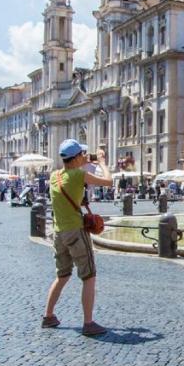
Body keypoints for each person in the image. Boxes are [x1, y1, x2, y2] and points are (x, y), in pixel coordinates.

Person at [43, 138, 114, 337]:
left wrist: (83, 160)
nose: (85, 157)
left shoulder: (54, 176)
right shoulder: (78, 175)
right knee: (89, 276)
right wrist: (101, 162)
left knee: (62, 275)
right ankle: (88, 323)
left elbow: (72, 173)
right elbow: (109, 181)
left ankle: (48, 316)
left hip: (59, 233)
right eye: (81, 155)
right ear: (75, 158)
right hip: (76, 231)